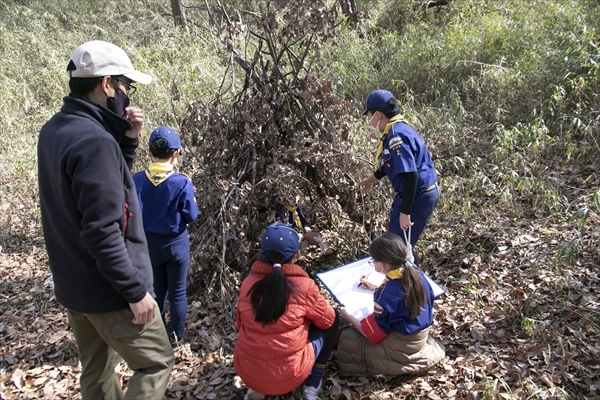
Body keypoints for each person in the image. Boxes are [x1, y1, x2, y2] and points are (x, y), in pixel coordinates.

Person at [37, 40, 174, 399]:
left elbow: (104, 189)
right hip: (110, 289)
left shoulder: (56, 130)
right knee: (155, 363)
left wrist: (126, 140)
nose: (127, 97)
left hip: (75, 285)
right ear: (107, 84)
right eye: (126, 87)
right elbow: (101, 229)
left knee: (97, 372)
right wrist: (134, 291)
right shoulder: (93, 141)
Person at [234, 223, 340, 400]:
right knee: (333, 319)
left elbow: (240, 324)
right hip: (291, 374)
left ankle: (255, 390)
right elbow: (327, 321)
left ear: (262, 254)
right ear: (297, 255)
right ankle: (312, 384)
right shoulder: (304, 286)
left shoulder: (248, 283)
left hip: (248, 372)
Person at [337, 232, 445, 376]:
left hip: (400, 345)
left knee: (347, 338)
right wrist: (377, 286)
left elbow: (374, 334)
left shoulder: (385, 294)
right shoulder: (416, 274)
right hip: (421, 335)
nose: (373, 264)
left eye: (373, 261)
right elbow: (400, 295)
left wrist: (348, 316)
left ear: (381, 265)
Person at [132, 126, 198, 344]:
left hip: (149, 244)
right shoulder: (181, 182)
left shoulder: (137, 180)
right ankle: (177, 333)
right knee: (177, 291)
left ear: (149, 152)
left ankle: (157, 333)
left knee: (157, 289)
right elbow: (191, 215)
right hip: (176, 243)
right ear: (176, 153)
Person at [358, 89, 439, 256]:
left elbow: (410, 175)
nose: (369, 121)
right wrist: (371, 179)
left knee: (396, 249)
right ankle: (410, 276)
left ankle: (408, 280)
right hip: (418, 194)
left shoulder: (396, 137)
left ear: (378, 115)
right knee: (402, 245)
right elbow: (391, 165)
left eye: (369, 116)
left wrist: (405, 212)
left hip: (417, 196)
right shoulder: (399, 129)